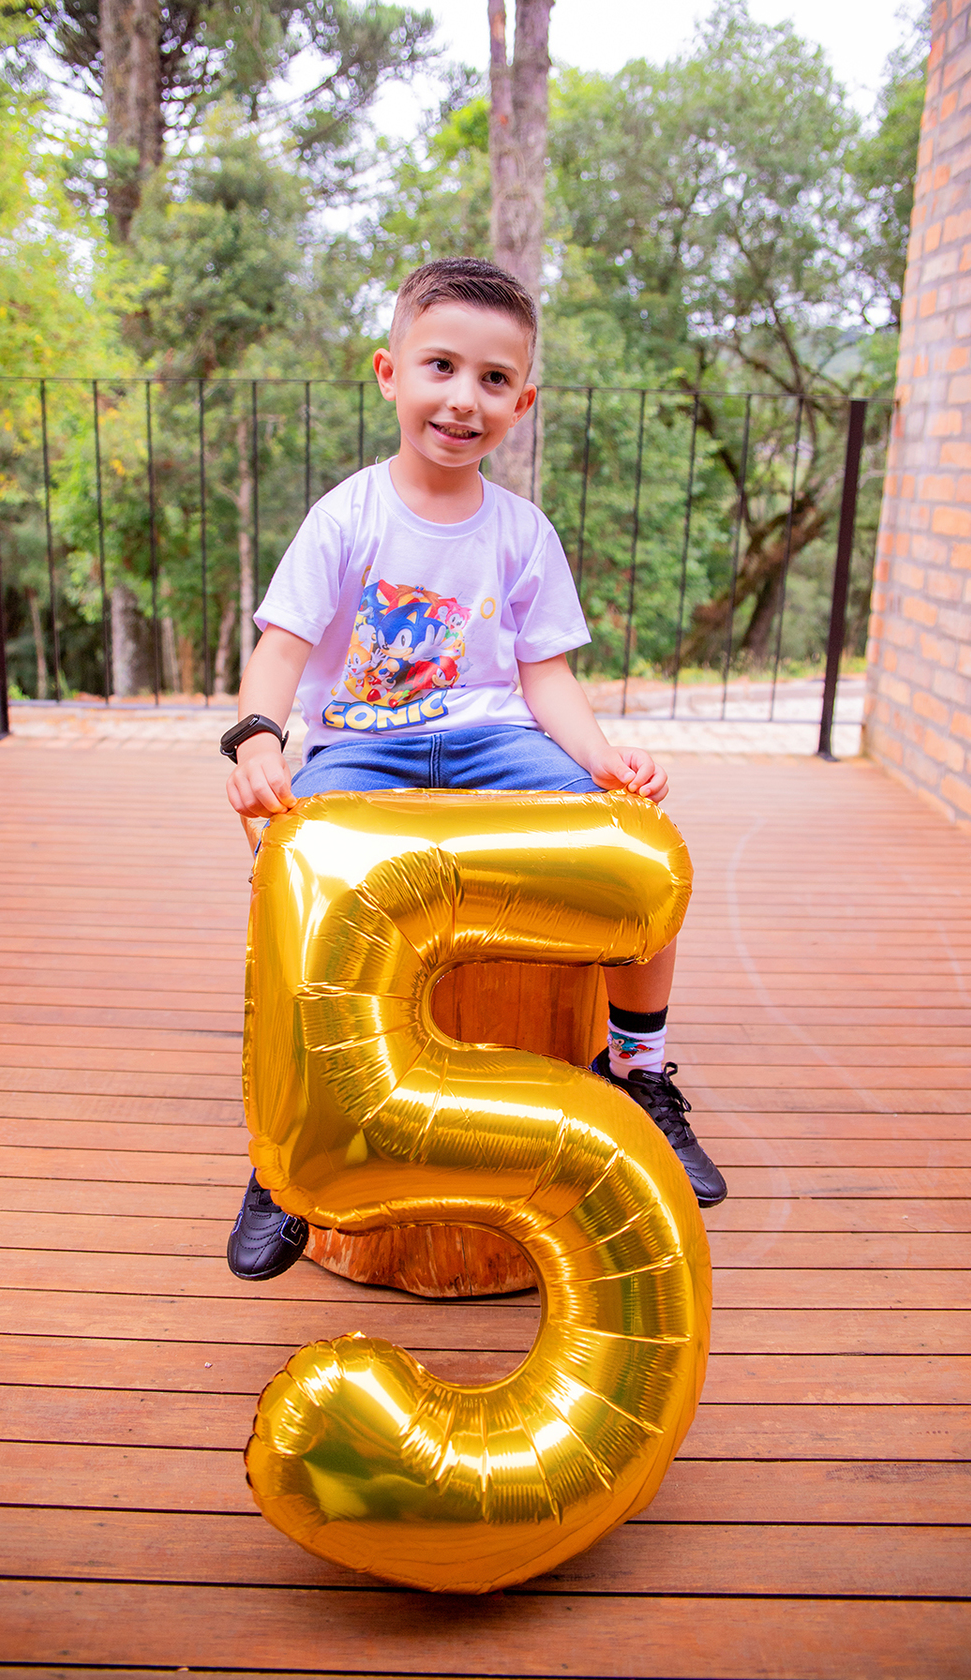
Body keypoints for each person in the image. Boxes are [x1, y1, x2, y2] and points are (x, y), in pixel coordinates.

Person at [223, 257, 727, 1281]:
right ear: (389, 373)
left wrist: (600, 757)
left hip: (497, 743)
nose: (463, 398)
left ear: (523, 401)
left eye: (494, 380)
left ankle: (635, 1069)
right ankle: (281, 1148)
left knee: (643, 852)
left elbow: (545, 674)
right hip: (365, 743)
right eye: (440, 366)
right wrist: (257, 737)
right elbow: (281, 644)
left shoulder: (521, 532)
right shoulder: (348, 517)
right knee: (292, 879)